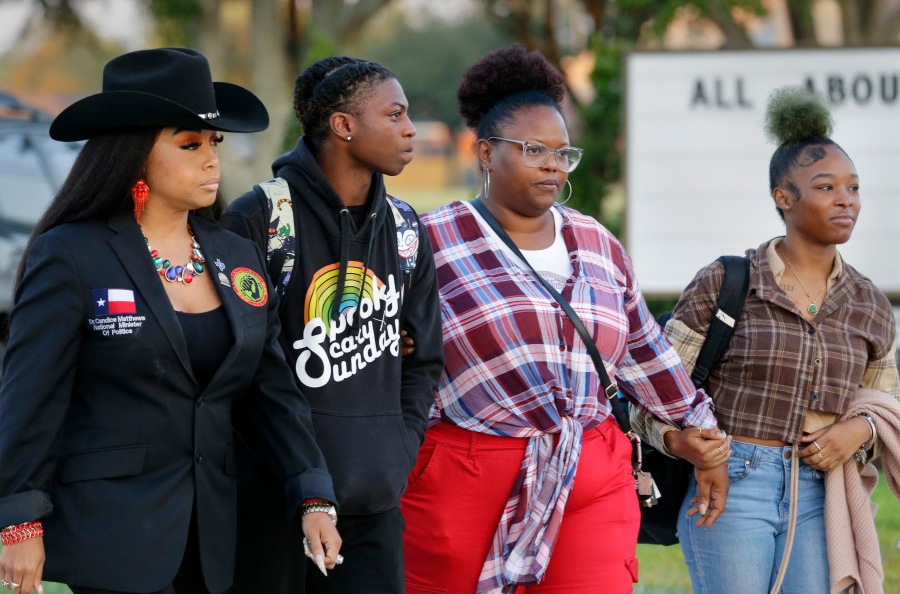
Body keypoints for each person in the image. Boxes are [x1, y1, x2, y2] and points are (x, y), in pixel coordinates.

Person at [0, 47, 341, 594]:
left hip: (217, 535)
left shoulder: (237, 254)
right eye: (189, 145)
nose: (211, 160)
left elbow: (271, 392)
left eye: (214, 143)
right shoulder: (69, 255)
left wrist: (312, 492)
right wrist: (19, 518)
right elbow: (30, 397)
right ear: (135, 157)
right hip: (113, 532)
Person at [400, 44, 731, 594]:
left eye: (562, 153)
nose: (553, 165)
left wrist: (700, 432)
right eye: (534, 150)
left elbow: (644, 351)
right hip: (465, 471)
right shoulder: (428, 241)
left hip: (590, 469)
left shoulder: (595, 241)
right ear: (485, 152)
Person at [635, 86, 900, 593]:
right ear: (784, 197)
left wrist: (858, 432)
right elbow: (654, 390)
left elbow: (886, 403)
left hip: (823, 493)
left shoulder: (869, 303)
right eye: (826, 187)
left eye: (854, 187)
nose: (846, 199)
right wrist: (683, 444)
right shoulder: (728, 281)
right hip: (730, 482)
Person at [222, 56, 444, 594]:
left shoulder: (406, 229)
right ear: (343, 126)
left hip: (373, 503)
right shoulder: (260, 219)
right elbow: (247, 369)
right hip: (269, 504)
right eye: (394, 114)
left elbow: (425, 360)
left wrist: (398, 447)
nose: (410, 128)